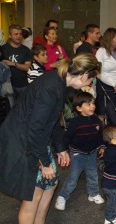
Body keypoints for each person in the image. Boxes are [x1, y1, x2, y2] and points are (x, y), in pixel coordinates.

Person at [0, 52, 100, 224]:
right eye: (91, 80)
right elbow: (35, 129)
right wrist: (45, 163)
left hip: (34, 137)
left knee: (51, 183)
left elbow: (51, 120)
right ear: (83, 75)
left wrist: (60, 148)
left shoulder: (60, 82)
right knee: (34, 194)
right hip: (23, 140)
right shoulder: (51, 87)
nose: (91, 84)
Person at [55, 91, 106, 211]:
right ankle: (62, 197)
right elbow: (66, 138)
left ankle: (93, 194)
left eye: (93, 103)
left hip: (92, 153)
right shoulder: (75, 123)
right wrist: (64, 152)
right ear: (79, 108)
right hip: (77, 154)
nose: (92, 106)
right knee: (73, 178)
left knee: (93, 175)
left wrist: (102, 146)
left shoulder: (96, 120)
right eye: (88, 104)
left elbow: (99, 136)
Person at [95, 28, 116, 121]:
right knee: (103, 112)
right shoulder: (101, 52)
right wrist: (113, 84)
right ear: (110, 39)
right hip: (104, 84)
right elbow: (98, 72)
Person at [1, 24, 32, 102]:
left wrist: (13, 64)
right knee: (9, 110)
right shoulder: (3, 49)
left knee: (22, 109)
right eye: (16, 34)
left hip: (22, 86)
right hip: (6, 86)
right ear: (10, 35)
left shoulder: (26, 50)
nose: (19, 36)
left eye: (20, 34)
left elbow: (27, 67)